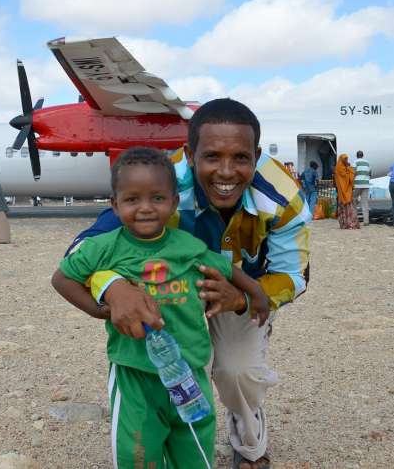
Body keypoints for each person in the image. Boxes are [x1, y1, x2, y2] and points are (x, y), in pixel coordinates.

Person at [66, 98, 310, 469]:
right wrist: (115, 286)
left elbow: (295, 275)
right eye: (211, 156)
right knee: (163, 374)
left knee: (236, 370)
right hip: (167, 298)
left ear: (256, 155)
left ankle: (248, 439)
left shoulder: (283, 198)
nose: (226, 172)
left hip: (238, 294)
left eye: (240, 158)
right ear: (189, 154)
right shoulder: (157, 184)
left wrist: (242, 298)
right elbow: (85, 250)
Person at [52, 147, 270, 467]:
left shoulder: (187, 246)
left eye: (157, 198)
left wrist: (256, 293)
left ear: (172, 202)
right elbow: (62, 279)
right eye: (131, 199)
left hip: (191, 370)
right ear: (114, 205)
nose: (145, 208)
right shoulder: (103, 247)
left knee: (195, 452)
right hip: (134, 374)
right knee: (138, 455)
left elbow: (226, 268)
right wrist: (97, 309)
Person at [333, 154, 359, 229]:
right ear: (342, 160)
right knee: (349, 209)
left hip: (343, 194)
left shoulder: (338, 168)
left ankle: (344, 224)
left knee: (344, 209)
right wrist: (350, 169)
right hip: (346, 193)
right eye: (345, 159)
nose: (346, 161)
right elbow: (349, 178)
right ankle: (350, 224)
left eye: (347, 159)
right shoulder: (342, 169)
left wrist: (349, 168)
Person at [353, 150, 371, 225]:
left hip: (357, 184)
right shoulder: (367, 163)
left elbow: (353, 173)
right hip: (366, 184)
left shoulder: (355, 162)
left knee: (353, 200)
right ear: (362, 155)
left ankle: (354, 219)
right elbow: (370, 173)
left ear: (357, 155)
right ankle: (366, 221)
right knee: (365, 203)